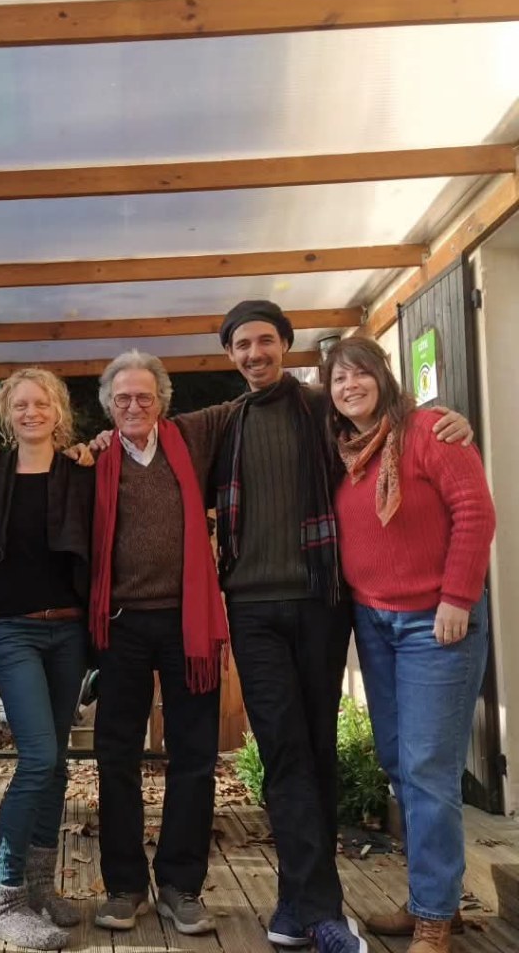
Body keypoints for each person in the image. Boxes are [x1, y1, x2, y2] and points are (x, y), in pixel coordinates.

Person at [214, 300, 470, 953]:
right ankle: (320, 909)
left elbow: (393, 429)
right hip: (256, 608)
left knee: (321, 750)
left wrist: (448, 421)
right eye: (241, 345)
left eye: (265, 340)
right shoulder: (225, 422)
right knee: (287, 750)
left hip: (323, 604)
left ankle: (306, 903)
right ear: (230, 355)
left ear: (285, 344)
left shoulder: (324, 413)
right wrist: (93, 442)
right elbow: (149, 433)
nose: (254, 353)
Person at [323, 337, 495, 953]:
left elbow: (475, 512)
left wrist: (458, 596)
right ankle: (430, 895)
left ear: (383, 376)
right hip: (376, 622)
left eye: (360, 374)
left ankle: (434, 917)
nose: (350, 386)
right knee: (399, 762)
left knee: (426, 768)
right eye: (338, 379)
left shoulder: (429, 432)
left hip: (435, 622)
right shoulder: (344, 449)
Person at [86, 350, 234, 936]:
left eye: (143, 396)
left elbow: (251, 400)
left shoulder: (189, 441)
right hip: (121, 624)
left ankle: (180, 885)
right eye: (122, 398)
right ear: (108, 405)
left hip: (186, 623)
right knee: (116, 756)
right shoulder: (93, 458)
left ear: (162, 401)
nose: (133, 406)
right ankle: (124, 886)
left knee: (194, 756)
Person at [0, 368, 94, 950]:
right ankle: (5, 897)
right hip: (12, 630)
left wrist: (96, 447)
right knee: (37, 757)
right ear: (6, 414)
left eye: (41, 403)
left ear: (58, 411)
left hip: (69, 629)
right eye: (20, 405)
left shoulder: (81, 472)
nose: (31, 412)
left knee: (57, 762)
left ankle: (39, 887)